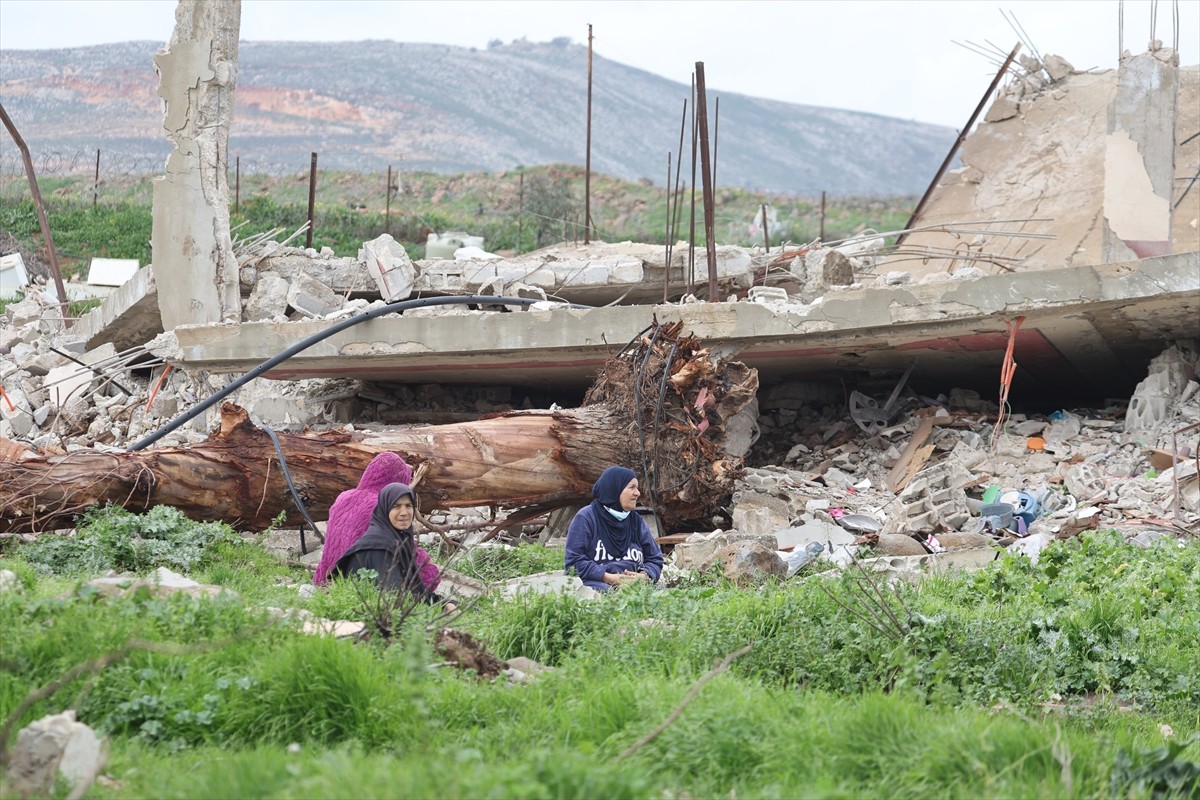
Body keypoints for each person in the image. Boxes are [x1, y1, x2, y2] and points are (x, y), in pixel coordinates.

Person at [313, 452, 440, 592]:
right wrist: (426, 562)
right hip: (361, 578)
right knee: (429, 570)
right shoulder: (382, 504)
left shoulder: (344, 496)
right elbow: (398, 545)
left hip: (327, 575)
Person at [333, 482, 456, 611]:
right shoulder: (380, 547)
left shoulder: (398, 540)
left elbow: (413, 589)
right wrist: (440, 609)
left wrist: (442, 603)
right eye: (396, 506)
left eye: (408, 506)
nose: (404, 512)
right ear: (385, 509)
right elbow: (395, 598)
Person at [565, 466, 664, 592]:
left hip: (634, 586)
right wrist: (609, 578)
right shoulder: (586, 518)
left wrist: (644, 576)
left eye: (637, 488)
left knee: (660, 593)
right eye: (632, 487)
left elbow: (655, 559)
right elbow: (574, 562)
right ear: (615, 489)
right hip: (599, 583)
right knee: (604, 592)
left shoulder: (636, 522)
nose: (637, 493)